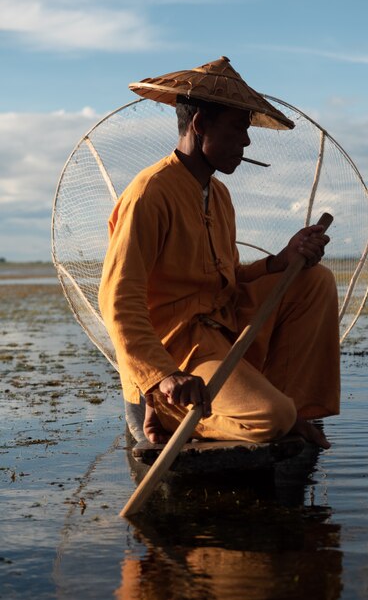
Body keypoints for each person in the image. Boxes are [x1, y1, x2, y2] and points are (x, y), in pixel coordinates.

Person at [99, 57, 340, 450]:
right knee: (271, 417)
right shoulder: (150, 193)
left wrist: (280, 261)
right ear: (199, 125)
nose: (246, 142)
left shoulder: (220, 195)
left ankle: (292, 407)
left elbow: (224, 279)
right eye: (238, 129)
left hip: (223, 328)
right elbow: (117, 300)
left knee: (313, 280)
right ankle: (170, 408)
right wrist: (161, 376)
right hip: (180, 350)